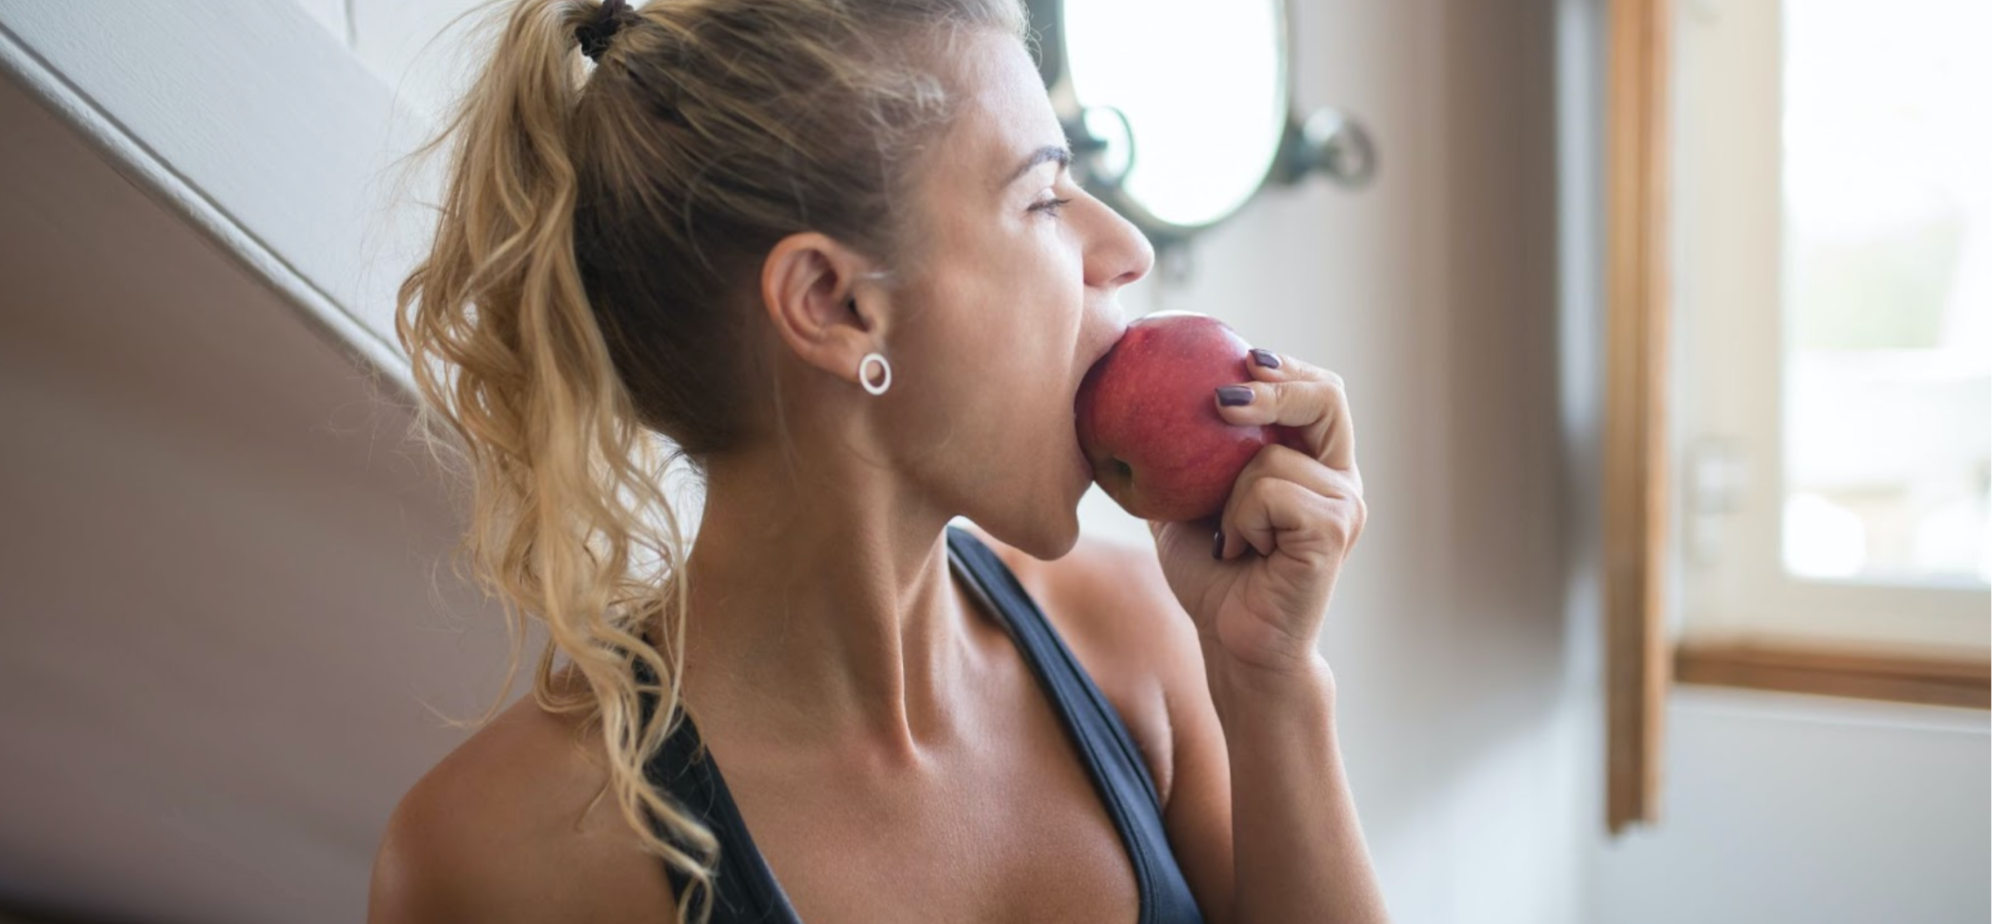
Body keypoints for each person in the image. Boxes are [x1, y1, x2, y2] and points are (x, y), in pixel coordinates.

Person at [366, 0, 1386, 921]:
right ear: (835, 305)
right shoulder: (499, 860)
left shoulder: (1139, 653)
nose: (1125, 249)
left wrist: (1275, 684)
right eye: (1044, 199)